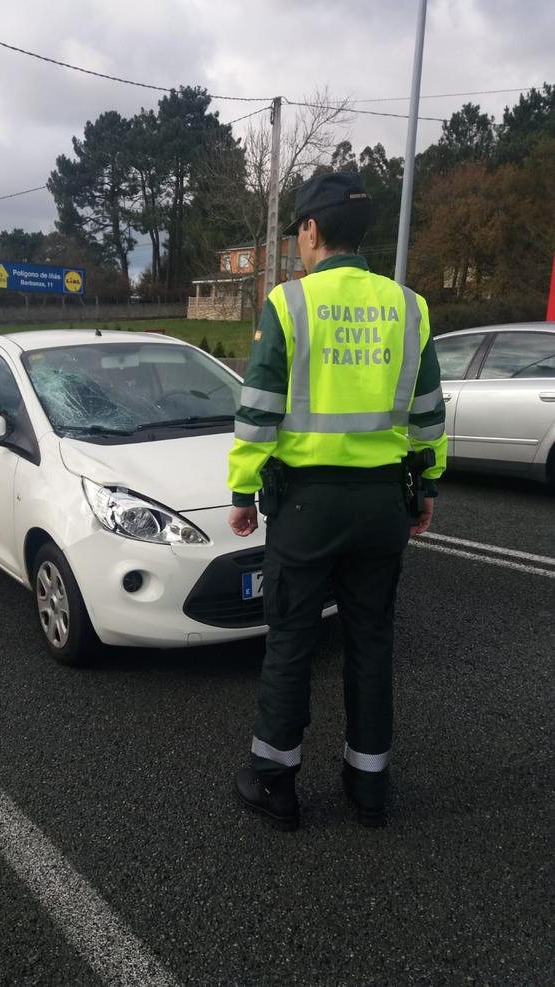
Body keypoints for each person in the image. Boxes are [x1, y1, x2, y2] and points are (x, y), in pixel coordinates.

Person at [227, 171, 447, 830]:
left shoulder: (289, 304)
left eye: (297, 231)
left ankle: (275, 783)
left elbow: (258, 409)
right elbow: (429, 412)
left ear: (312, 230)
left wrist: (242, 487)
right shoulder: (409, 307)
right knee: (371, 642)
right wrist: (426, 485)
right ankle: (368, 785)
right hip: (383, 502)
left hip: (307, 505)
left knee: (291, 640)